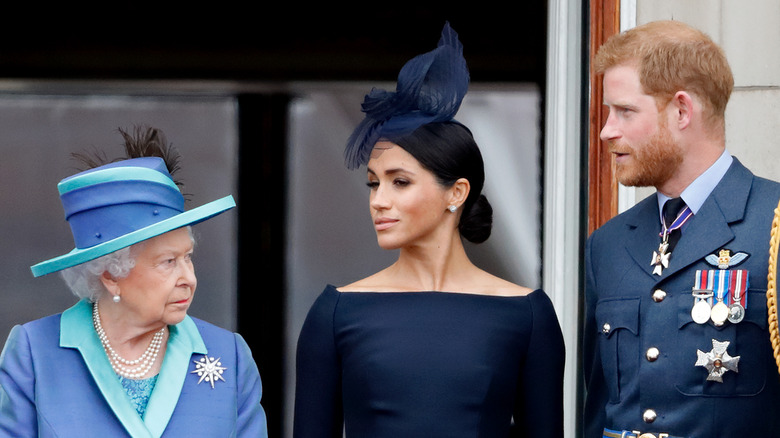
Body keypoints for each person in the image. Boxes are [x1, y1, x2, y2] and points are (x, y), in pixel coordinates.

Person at [293, 23, 565, 438]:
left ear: (455, 193)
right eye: (373, 182)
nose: (378, 199)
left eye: (399, 182)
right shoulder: (335, 312)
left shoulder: (527, 314)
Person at [0, 126, 268, 437]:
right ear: (112, 276)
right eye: (168, 262)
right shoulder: (34, 353)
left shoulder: (230, 355)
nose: (189, 278)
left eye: (188, 257)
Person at [584, 20, 780, 437]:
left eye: (625, 111)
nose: (606, 131)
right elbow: (601, 408)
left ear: (681, 110)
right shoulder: (608, 243)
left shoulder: (774, 221)